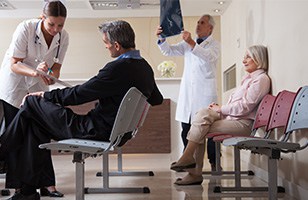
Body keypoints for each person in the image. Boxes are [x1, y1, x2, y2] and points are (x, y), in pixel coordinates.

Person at [0, 19, 163, 200]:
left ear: (116, 45)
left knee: (31, 103)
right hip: (114, 133)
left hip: (92, 131)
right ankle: (27, 191)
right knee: (34, 122)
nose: (106, 47)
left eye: (106, 43)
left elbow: (79, 95)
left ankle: (2, 150)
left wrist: (44, 95)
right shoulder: (145, 68)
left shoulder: (116, 69)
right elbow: (157, 99)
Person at [170, 45, 271, 185]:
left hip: (244, 124)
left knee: (200, 127)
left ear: (258, 59)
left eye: (248, 57)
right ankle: (189, 160)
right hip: (233, 119)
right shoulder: (248, 79)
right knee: (202, 113)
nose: (244, 60)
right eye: (244, 57)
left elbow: (245, 107)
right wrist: (218, 110)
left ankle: (192, 167)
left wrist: (221, 109)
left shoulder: (261, 79)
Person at [0, 0, 69, 198]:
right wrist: (36, 73)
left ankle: (48, 184)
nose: (56, 29)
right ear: (42, 18)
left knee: (40, 133)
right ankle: (19, 188)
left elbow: (56, 67)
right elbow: (14, 63)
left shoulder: (63, 36)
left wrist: (49, 74)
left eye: (60, 25)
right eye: (51, 24)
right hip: (15, 86)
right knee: (19, 137)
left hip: (37, 87)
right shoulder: (25, 28)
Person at [156, 14, 220, 170]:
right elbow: (169, 51)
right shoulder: (187, 45)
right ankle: (189, 161)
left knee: (211, 132)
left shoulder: (214, 45)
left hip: (205, 94)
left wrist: (191, 42)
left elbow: (209, 57)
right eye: (197, 22)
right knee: (186, 129)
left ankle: (215, 163)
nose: (198, 25)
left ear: (210, 28)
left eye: (202, 23)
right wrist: (162, 39)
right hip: (188, 94)